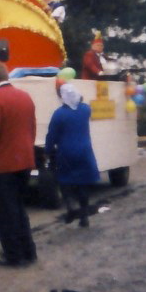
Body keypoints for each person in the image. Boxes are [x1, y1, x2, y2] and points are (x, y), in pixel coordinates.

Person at [0, 62, 39, 267]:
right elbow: (32, 127)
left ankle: (13, 254)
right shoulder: (25, 96)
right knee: (19, 208)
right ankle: (28, 251)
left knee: (5, 211)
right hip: (25, 159)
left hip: (3, 162)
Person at [45, 83, 100, 227]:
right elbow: (81, 103)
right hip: (85, 151)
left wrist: (48, 151)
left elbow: (51, 135)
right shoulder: (85, 110)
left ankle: (70, 207)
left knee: (65, 181)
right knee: (83, 184)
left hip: (66, 152)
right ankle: (84, 216)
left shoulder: (59, 114)